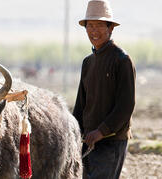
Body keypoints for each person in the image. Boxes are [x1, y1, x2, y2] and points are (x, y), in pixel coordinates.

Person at [72, 0, 136, 178]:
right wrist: (74, 132)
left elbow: (126, 105)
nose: (94, 30)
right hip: (88, 142)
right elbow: (80, 104)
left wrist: (101, 131)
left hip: (111, 142)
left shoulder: (122, 60)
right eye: (90, 25)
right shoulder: (88, 62)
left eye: (99, 25)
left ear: (111, 28)